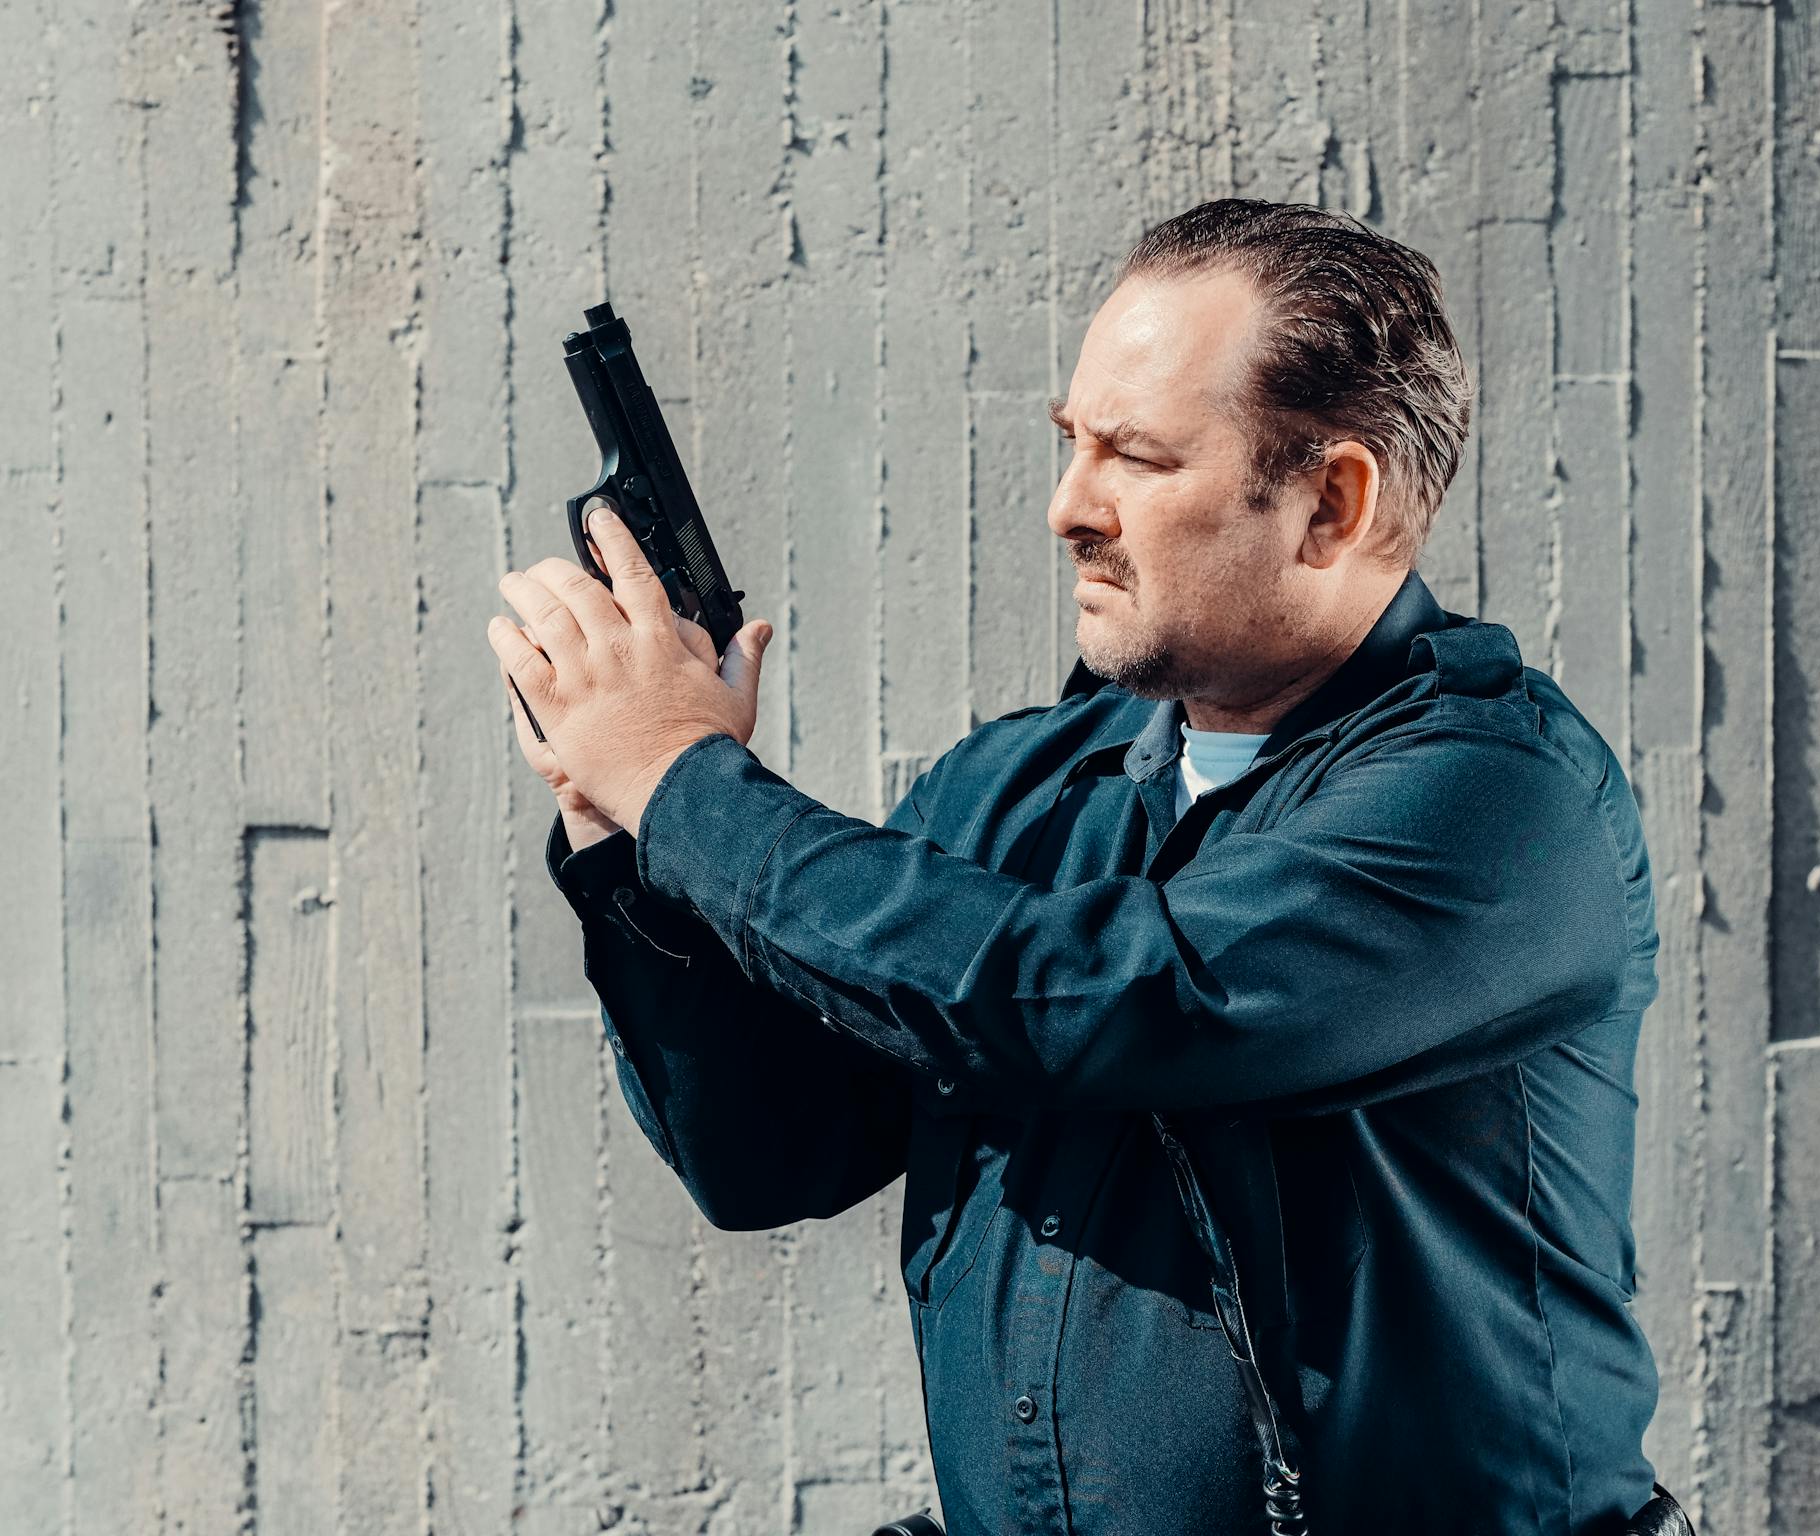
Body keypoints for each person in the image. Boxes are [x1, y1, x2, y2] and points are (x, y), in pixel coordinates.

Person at [492, 198, 1667, 1533]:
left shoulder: (1501, 802)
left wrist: (683, 785)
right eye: (1072, 443)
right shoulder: (1018, 788)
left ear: (1332, 502)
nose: (1068, 507)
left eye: (1137, 457)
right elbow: (775, 1151)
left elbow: (1105, 1002)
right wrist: (619, 823)